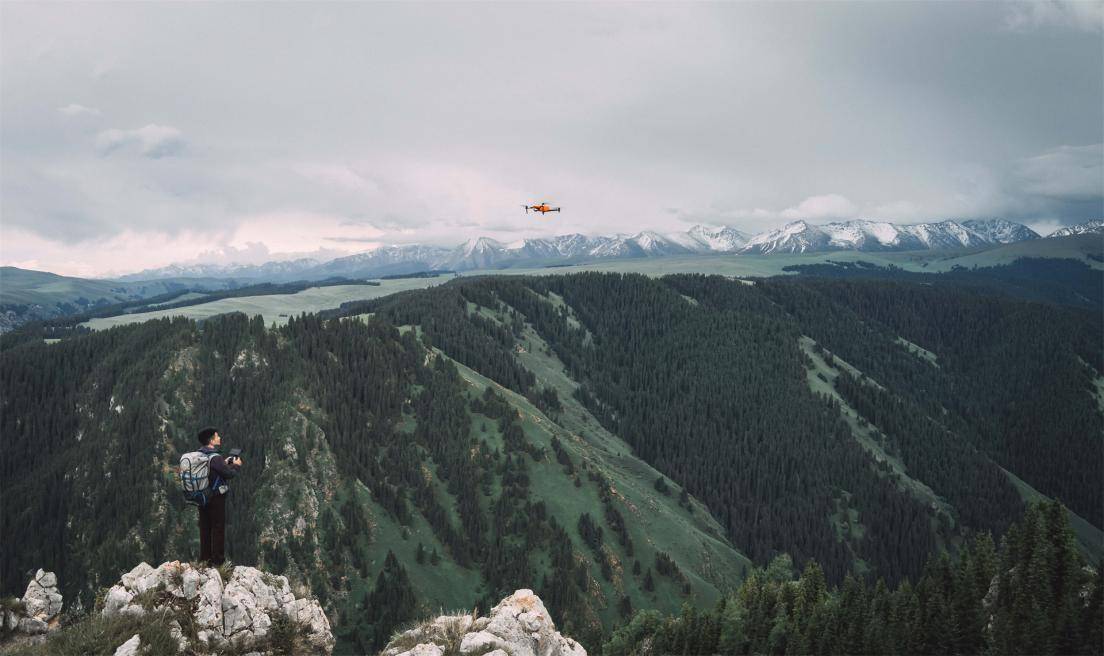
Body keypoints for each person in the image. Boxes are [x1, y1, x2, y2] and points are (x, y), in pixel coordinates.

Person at [195, 427, 243, 566]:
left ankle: (205, 560)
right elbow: (229, 474)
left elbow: (215, 468)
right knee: (217, 528)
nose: (219, 438)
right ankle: (218, 562)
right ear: (211, 440)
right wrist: (236, 465)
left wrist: (225, 462)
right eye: (217, 436)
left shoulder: (200, 455)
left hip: (202, 496)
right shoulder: (215, 458)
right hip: (215, 498)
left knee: (205, 528)